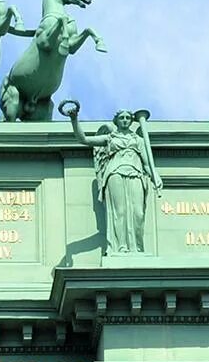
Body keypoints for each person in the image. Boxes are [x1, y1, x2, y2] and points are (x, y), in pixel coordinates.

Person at [62, 101, 161, 253]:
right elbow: (84, 140)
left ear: (132, 120)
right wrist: (74, 119)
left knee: (138, 213)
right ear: (116, 120)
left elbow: (147, 164)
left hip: (136, 174)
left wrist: (156, 177)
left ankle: (137, 247)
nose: (125, 120)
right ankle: (120, 246)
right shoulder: (109, 138)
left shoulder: (139, 140)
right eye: (122, 117)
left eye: (128, 117)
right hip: (115, 173)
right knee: (119, 211)